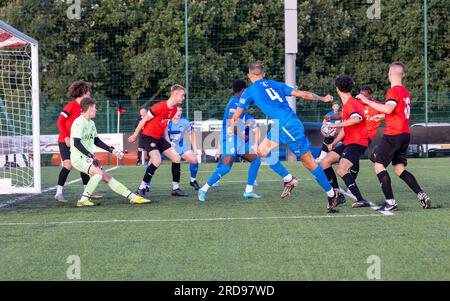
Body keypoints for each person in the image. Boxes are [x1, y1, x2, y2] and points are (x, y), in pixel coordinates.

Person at [230, 63, 340, 212]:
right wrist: (323, 98)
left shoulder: (248, 91)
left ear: (250, 76)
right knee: (261, 151)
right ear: (263, 74)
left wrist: (232, 127)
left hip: (287, 127)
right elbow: (302, 94)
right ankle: (289, 179)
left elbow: (236, 116)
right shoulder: (275, 84)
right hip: (283, 125)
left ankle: (332, 194)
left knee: (309, 163)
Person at [357, 62, 431, 211]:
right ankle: (422, 195)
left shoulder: (393, 91)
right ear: (402, 74)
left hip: (393, 134)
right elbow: (397, 112)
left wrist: (366, 101)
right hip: (404, 134)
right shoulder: (405, 91)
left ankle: (390, 202)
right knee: (399, 169)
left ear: (390, 74)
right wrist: (382, 116)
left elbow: (390, 108)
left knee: (378, 165)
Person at [70, 98, 150, 206]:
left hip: (86, 157)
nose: (96, 110)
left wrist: (112, 150)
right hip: (77, 157)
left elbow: (96, 141)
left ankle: (133, 197)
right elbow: (76, 143)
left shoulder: (91, 123)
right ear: (89, 109)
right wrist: (92, 156)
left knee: (106, 177)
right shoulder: (79, 122)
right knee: (98, 173)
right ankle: (83, 200)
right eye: (94, 108)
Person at [198, 79, 262, 201]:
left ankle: (249, 191)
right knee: (226, 167)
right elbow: (230, 123)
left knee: (256, 160)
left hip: (237, 138)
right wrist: (243, 136)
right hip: (230, 137)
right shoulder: (234, 103)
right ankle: (203, 189)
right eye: (246, 89)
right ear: (242, 90)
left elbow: (254, 100)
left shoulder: (241, 101)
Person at [320, 75, 371, 209]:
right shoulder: (347, 104)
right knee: (325, 162)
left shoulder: (352, 103)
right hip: (349, 142)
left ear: (337, 89)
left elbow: (356, 119)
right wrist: (334, 142)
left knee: (342, 169)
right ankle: (337, 195)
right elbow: (346, 126)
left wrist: (333, 126)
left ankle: (361, 199)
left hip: (358, 142)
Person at [128, 84, 188, 197]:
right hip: (148, 136)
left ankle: (175, 188)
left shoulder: (174, 109)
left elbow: (164, 125)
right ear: (175, 94)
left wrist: (167, 140)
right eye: (182, 95)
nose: (183, 97)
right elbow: (144, 120)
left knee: (176, 157)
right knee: (157, 160)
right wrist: (135, 135)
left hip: (159, 138)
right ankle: (142, 187)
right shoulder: (159, 106)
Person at [55, 81, 102, 203]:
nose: (90, 93)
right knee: (68, 164)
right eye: (88, 91)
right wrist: (65, 136)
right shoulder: (70, 106)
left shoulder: (84, 107)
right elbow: (59, 122)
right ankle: (58, 193)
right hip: (65, 141)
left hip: (77, 142)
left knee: (84, 163)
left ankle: (87, 193)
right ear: (82, 93)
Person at [166, 106, 201, 190]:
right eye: (177, 110)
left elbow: (191, 134)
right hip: (166, 146)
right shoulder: (167, 121)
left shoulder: (185, 121)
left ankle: (193, 180)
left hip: (180, 146)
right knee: (154, 160)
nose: (179, 112)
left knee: (194, 160)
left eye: (180, 110)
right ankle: (146, 185)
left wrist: (195, 149)